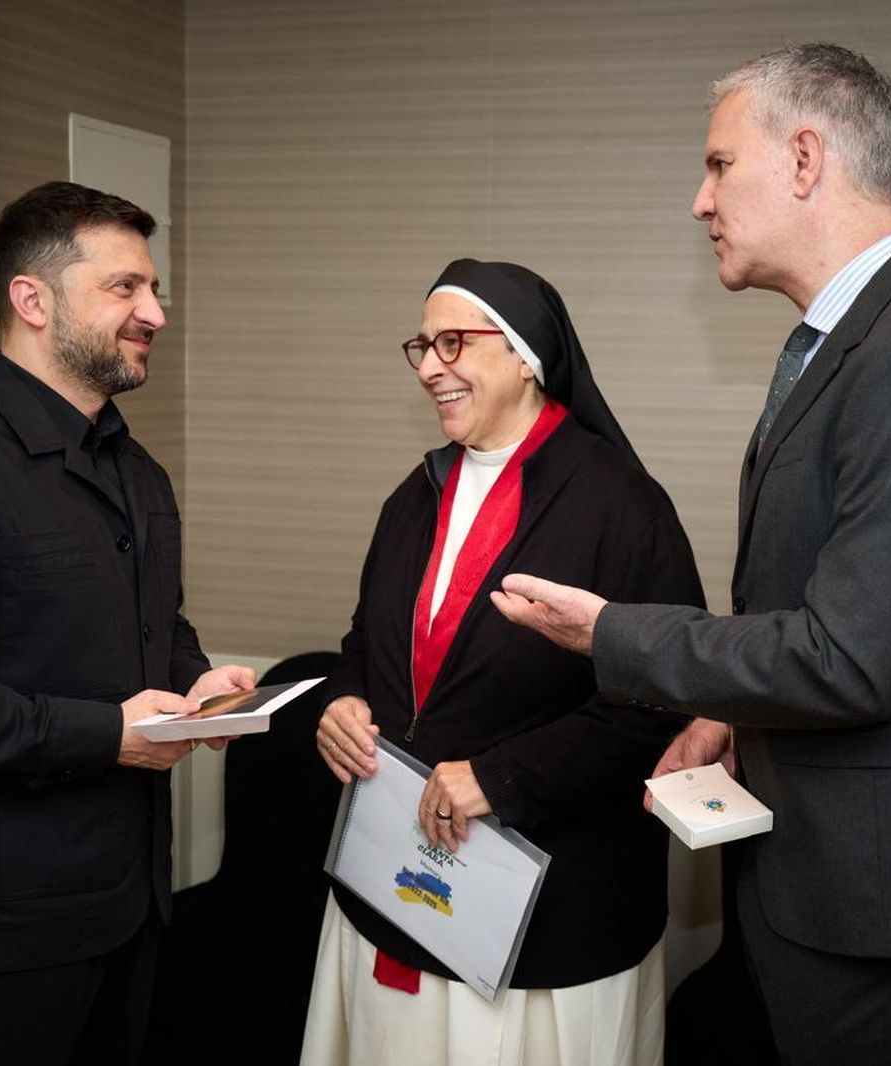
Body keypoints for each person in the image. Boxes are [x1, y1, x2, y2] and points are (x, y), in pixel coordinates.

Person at [493, 44, 891, 1065]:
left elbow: (853, 658)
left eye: (715, 166)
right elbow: (828, 601)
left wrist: (610, 630)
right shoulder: (851, 343)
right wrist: (723, 709)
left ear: (802, 159)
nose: (696, 202)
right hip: (831, 875)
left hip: (889, 904)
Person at [0, 180, 253, 1065]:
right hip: (3, 930)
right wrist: (105, 734)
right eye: (125, 289)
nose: (155, 312)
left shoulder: (136, 469)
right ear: (32, 300)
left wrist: (197, 682)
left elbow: (153, 622)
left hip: (134, 899)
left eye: (154, 288)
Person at [303, 259, 705, 1066]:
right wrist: (345, 703)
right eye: (420, 346)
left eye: (452, 342)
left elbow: (662, 697)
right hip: (400, 886)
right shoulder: (413, 495)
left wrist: (503, 778)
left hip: (551, 921)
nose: (428, 366)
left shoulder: (621, 505)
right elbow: (365, 643)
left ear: (526, 356)